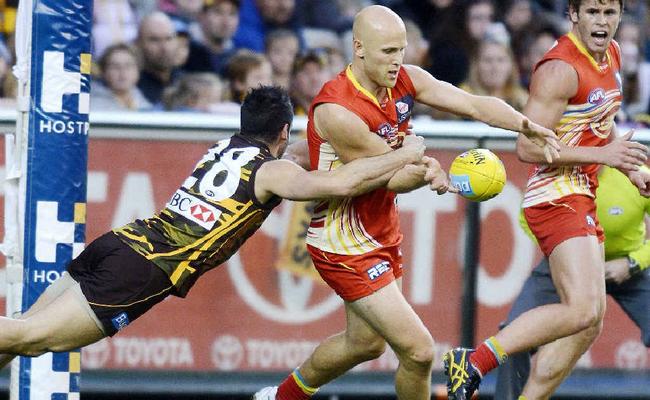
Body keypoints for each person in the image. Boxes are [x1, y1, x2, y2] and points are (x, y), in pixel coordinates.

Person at [0, 85, 441, 368]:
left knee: (19, 337)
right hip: (143, 269)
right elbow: (342, 181)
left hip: (119, 242)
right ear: (285, 131)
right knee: (33, 338)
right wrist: (404, 153)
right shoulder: (271, 173)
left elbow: (313, 164)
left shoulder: (222, 148)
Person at [254, 5, 560, 400]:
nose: (397, 61)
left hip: (380, 229)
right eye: (387, 52)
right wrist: (429, 172)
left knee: (364, 344)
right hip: (342, 241)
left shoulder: (405, 79)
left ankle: (280, 398)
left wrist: (526, 125)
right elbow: (391, 176)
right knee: (418, 351)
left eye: (401, 50)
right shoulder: (337, 110)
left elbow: (473, 103)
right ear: (359, 48)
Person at [443, 1, 650, 399]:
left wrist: (630, 170)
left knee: (590, 320)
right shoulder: (559, 69)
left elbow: (597, 126)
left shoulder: (613, 56)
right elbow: (527, 147)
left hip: (580, 191)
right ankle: (475, 362)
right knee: (581, 310)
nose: (601, 21)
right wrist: (603, 157)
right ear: (573, 14)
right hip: (555, 193)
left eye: (610, 12)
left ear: (621, 15)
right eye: (592, 11)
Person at [494, 165, 650, 400]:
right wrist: (563, 252)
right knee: (511, 335)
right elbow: (526, 216)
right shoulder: (555, 174)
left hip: (625, 267)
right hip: (570, 264)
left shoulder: (637, 174)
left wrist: (634, 263)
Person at [91, 43, 152, 111]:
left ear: (138, 71)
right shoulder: (93, 105)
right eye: (115, 66)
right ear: (104, 72)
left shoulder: (145, 104)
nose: (122, 72)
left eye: (128, 66)